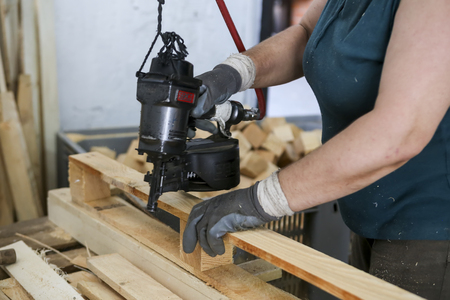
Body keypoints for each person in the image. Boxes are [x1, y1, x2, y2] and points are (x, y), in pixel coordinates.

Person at [183, 0, 450, 299]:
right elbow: (309, 33)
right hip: (370, 212)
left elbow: (400, 134)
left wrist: (262, 200)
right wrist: (234, 73)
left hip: (432, 232)